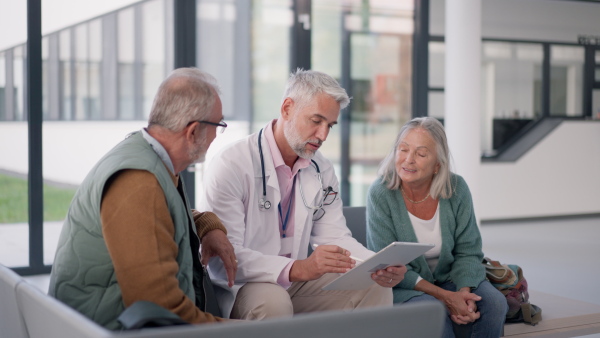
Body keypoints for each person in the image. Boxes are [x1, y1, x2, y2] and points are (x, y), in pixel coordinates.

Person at [200, 69, 404, 320]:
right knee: (273, 303)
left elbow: (335, 236)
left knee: (373, 286)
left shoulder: (322, 168)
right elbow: (226, 257)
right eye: (316, 121)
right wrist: (298, 268)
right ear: (287, 109)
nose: (323, 135)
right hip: (246, 284)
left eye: (329, 125)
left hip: (296, 282)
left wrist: (377, 265)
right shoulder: (232, 164)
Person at [48, 68, 238, 330]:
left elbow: (156, 215)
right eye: (219, 125)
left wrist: (205, 223)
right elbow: (162, 311)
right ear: (193, 131)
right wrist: (244, 331)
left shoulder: (149, 159)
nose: (218, 135)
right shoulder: (139, 182)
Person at [366, 117, 508, 338]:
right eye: (403, 150)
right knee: (432, 310)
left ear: (437, 165)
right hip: (402, 286)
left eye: (421, 154)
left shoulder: (456, 188)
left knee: (495, 304)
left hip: (449, 277)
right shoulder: (381, 193)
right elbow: (389, 266)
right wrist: (445, 297)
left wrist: (463, 293)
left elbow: (468, 250)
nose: (408, 160)